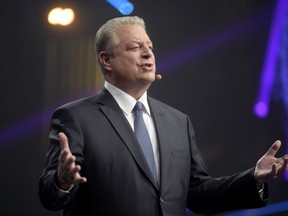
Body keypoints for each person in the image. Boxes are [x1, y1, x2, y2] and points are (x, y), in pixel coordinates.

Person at [39, 16, 288, 216]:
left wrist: (252, 178)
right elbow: (49, 195)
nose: (148, 53)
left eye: (150, 47)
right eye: (135, 47)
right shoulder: (75, 117)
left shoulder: (178, 122)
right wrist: (63, 181)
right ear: (106, 60)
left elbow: (198, 193)